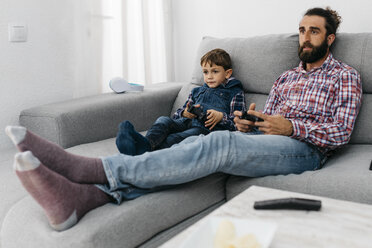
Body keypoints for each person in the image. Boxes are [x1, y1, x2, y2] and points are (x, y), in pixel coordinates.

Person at [5, 7, 362, 231]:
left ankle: (95, 170)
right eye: (301, 29)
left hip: (306, 149)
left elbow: (341, 132)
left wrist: (290, 126)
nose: (305, 36)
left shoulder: (345, 75)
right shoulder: (286, 77)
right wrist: (249, 121)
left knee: (218, 142)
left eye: (313, 31)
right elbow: (267, 117)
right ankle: (87, 199)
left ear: (329, 37)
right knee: (196, 142)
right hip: (262, 139)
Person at [115, 48, 245, 155]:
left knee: (175, 138)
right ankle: (145, 144)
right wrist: (185, 113)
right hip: (185, 122)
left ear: (227, 74)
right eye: (205, 72)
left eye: (215, 71)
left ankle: (142, 151)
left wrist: (221, 117)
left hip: (204, 130)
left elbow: (239, 123)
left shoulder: (235, 92)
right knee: (163, 120)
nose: (209, 76)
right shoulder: (196, 91)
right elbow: (177, 114)